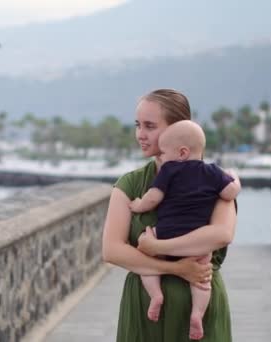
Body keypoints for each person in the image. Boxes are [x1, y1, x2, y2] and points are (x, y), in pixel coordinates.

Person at [101, 89, 237, 342]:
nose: (140, 134)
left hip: (200, 310)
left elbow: (221, 234)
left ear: (179, 128)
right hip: (144, 309)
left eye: (150, 126)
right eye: (138, 125)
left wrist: (155, 247)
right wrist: (177, 268)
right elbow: (111, 251)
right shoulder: (129, 185)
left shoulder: (212, 178)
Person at [127, 120, 241, 340]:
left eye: (163, 153)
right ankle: (197, 315)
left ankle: (155, 294)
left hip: (166, 232)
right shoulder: (213, 172)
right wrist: (234, 177)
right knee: (202, 280)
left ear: (181, 153)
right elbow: (230, 193)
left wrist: (138, 205)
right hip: (196, 241)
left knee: (145, 259)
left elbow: (154, 198)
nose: (160, 157)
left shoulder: (170, 170)